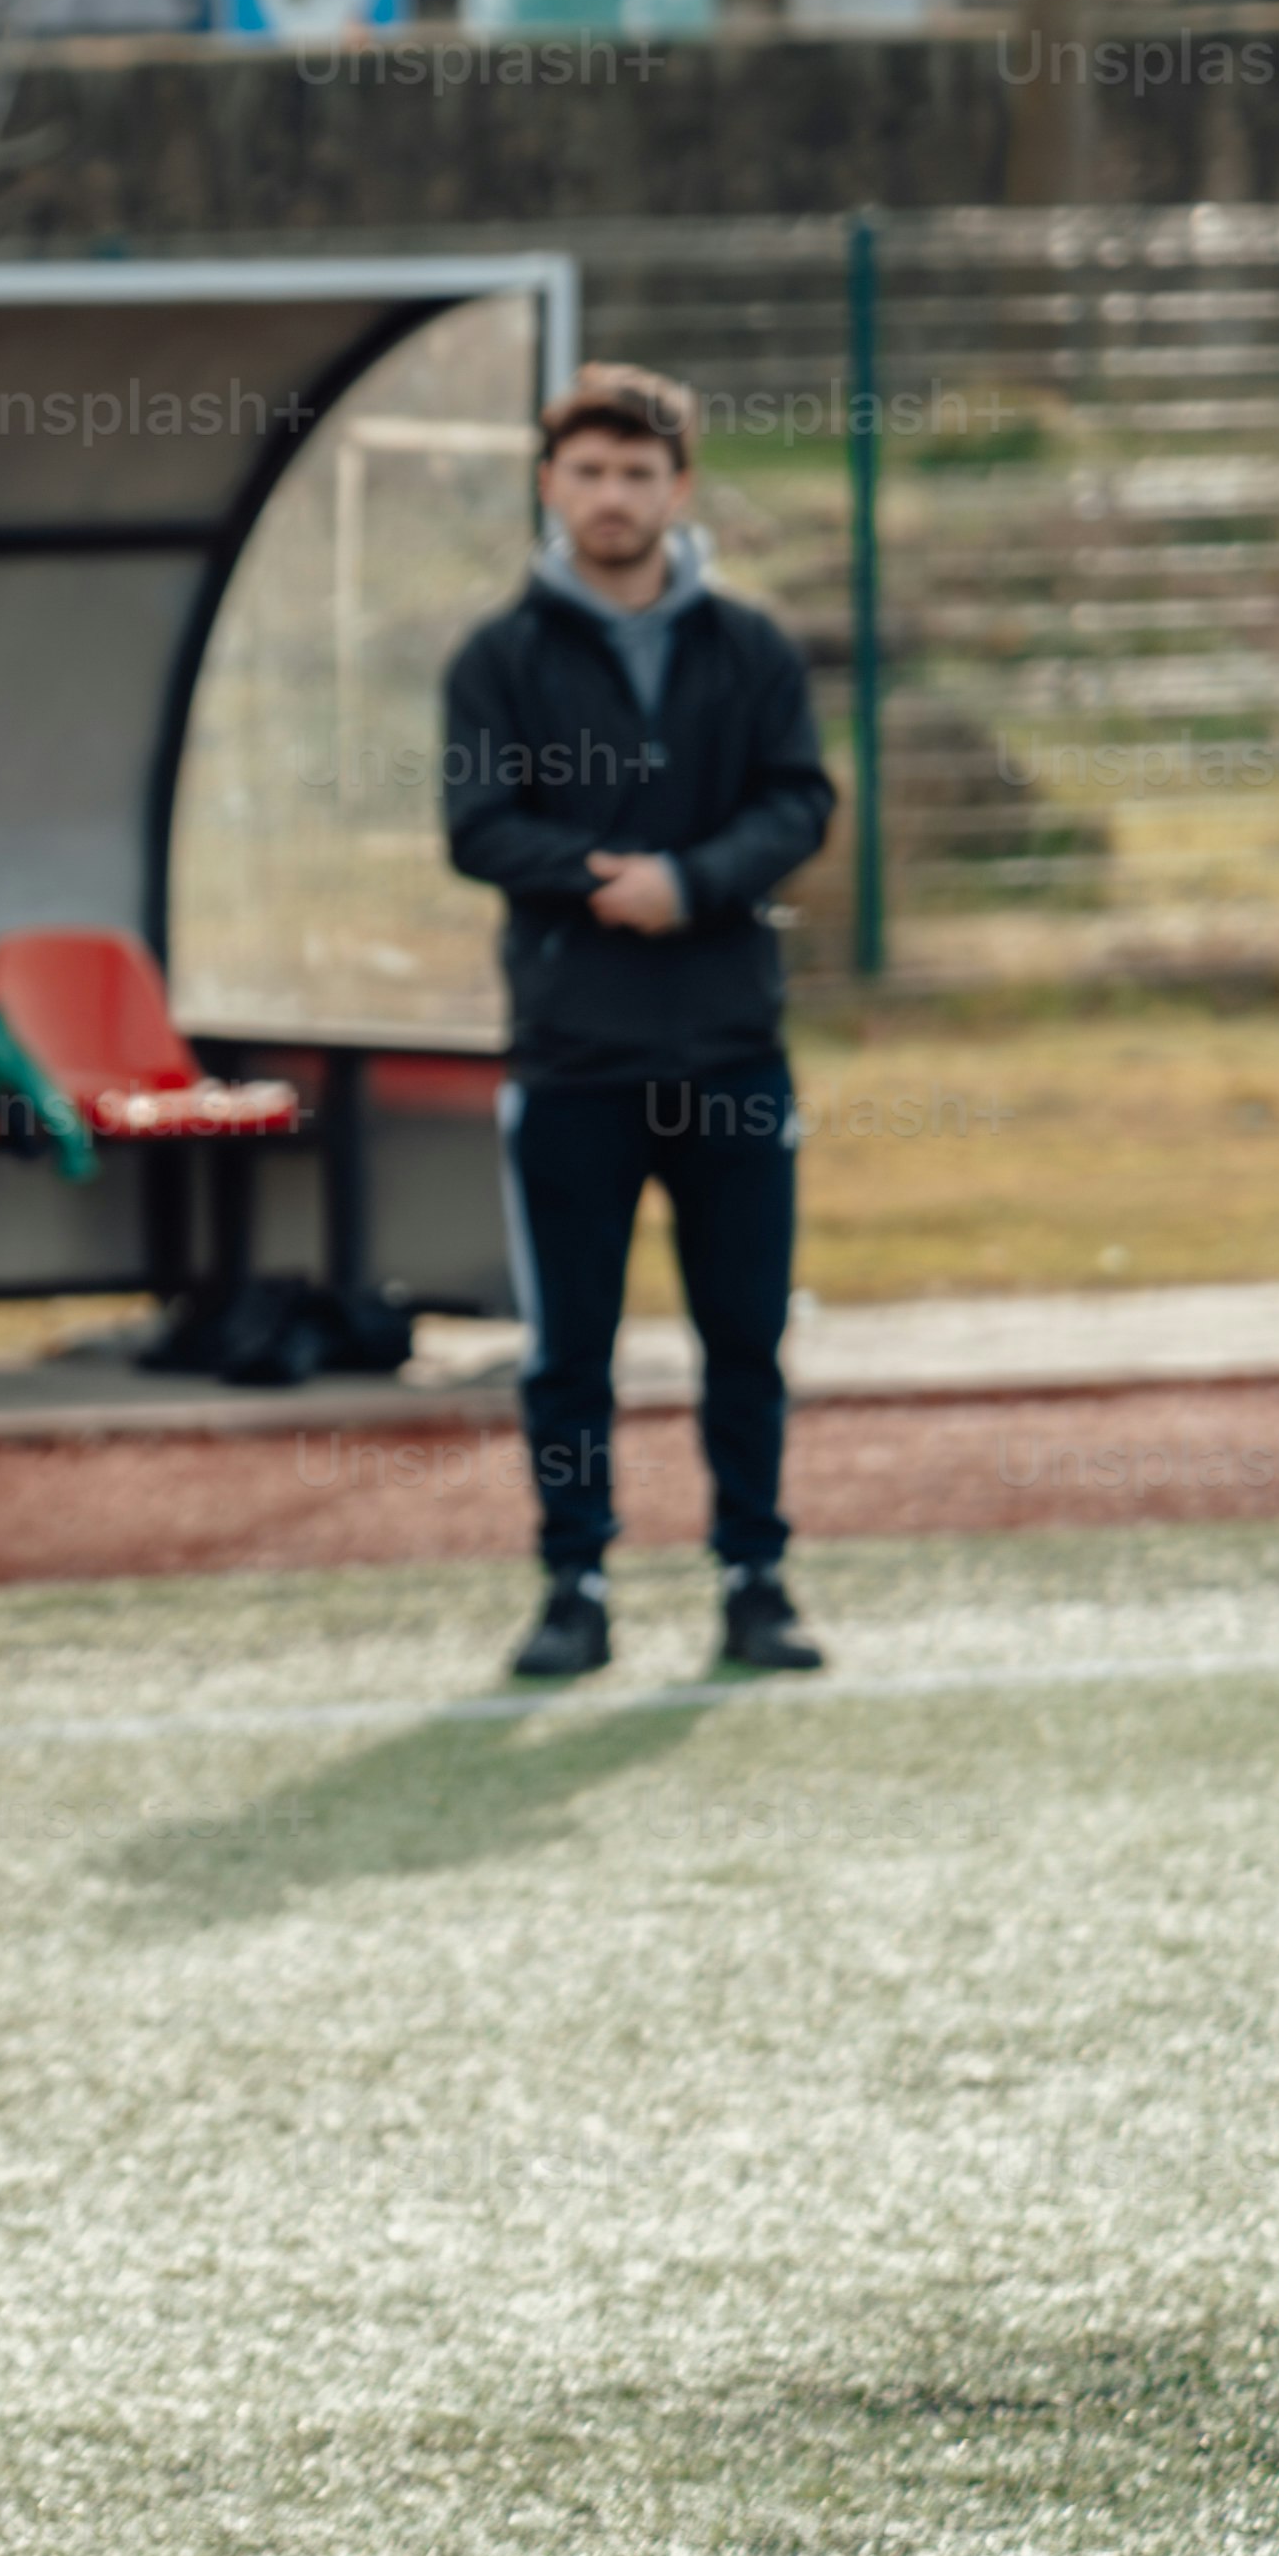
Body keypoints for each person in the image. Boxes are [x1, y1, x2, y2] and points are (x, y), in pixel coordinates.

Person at [442, 361, 838, 1686]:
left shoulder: (751, 647)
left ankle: (754, 1576)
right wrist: (599, 876)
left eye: (638, 473)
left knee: (745, 1334)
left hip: (731, 1050)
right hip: (573, 1061)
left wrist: (697, 882)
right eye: (589, 472)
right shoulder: (498, 658)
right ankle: (576, 1584)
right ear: (552, 485)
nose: (613, 497)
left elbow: (801, 803)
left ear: (680, 488)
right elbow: (478, 824)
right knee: (570, 1352)